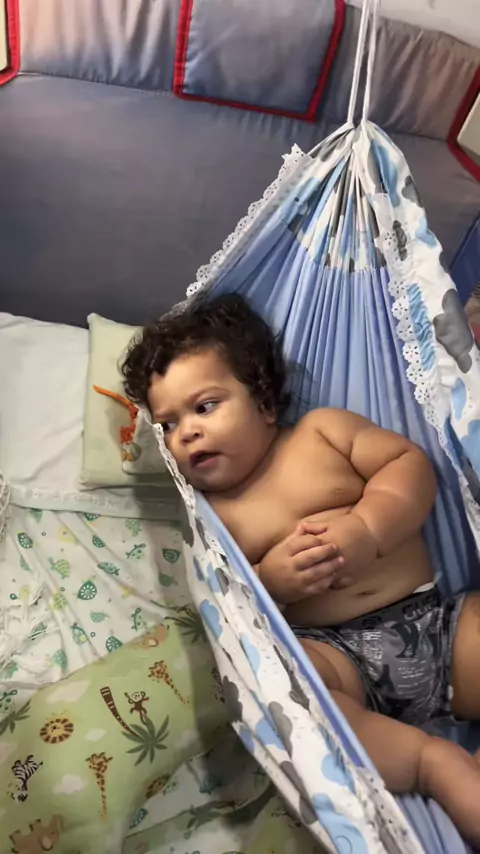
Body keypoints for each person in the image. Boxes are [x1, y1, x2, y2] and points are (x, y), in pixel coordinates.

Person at [122, 293, 480, 844]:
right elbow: (233, 612)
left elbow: (408, 466)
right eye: (167, 424)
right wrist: (272, 583)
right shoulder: (213, 518)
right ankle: (430, 763)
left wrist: (368, 529)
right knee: (303, 702)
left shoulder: (322, 433)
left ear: (264, 401)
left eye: (205, 407)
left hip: (437, 626)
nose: (185, 433)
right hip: (337, 660)